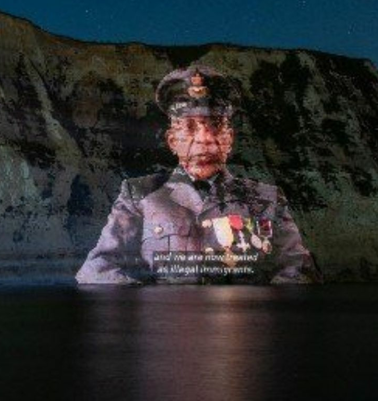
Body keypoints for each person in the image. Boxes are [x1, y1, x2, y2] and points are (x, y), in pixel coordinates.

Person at [75, 64, 321, 284]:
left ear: (230, 140)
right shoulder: (139, 195)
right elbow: (96, 269)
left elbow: (299, 270)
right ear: (172, 141)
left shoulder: (266, 200)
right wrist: (148, 309)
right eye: (189, 128)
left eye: (216, 125)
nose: (205, 140)